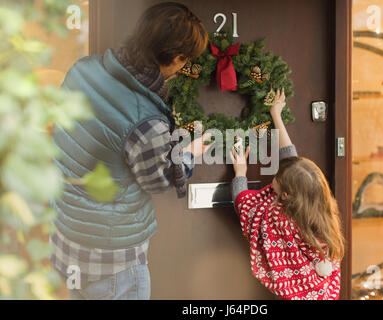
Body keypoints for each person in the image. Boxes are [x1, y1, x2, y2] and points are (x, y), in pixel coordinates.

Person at [49, 2, 211, 300]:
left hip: (68, 239)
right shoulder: (146, 121)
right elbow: (159, 180)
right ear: (177, 58)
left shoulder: (82, 69)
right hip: (112, 262)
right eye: (184, 62)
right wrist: (190, 153)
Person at [229, 88, 345, 300]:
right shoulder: (327, 214)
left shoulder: (279, 218)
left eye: (277, 179)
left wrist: (240, 173)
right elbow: (292, 162)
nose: (275, 177)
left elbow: (245, 208)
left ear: (285, 195)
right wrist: (276, 115)